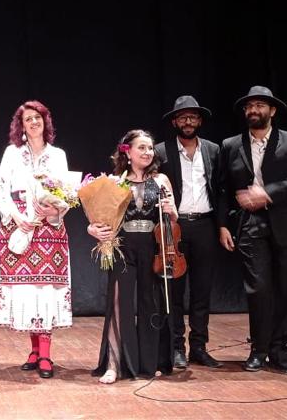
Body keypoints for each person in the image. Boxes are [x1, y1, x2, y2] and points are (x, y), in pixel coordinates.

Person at [217, 85, 287, 373]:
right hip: (249, 224)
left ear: (272, 110)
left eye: (259, 105)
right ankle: (258, 349)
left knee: (285, 289)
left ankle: (280, 351)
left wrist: (267, 193)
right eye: (249, 106)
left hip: (285, 223)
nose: (253, 110)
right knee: (258, 290)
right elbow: (223, 189)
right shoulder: (231, 145)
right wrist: (222, 225)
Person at [0, 100, 72, 379]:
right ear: (21, 125)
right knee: (27, 290)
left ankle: (46, 353)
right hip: (19, 226)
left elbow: (66, 191)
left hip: (49, 230)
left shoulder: (57, 155)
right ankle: (35, 350)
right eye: (28, 119)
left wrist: (55, 210)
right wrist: (16, 217)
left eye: (37, 117)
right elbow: (0, 189)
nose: (34, 122)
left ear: (45, 121)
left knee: (45, 289)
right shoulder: (12, 153)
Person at [88, 130, 177, 384]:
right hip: (123, 247)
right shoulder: (116, 182)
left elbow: (173, 219)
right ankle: (114, 364)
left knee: (151, 303)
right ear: (128, 152)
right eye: (142, 147)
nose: (148, 152)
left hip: (152, 246)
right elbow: (98, 218)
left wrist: (172, 211)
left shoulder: (161, 180)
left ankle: (150, 363)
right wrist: (92, 229)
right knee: (119, 304)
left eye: (150, 148)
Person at [154, 95, 225, 371]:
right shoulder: (161, 151)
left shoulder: (213, 150)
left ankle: (199, 347)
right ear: (175, 121)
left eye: (192, 116)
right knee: (174, 289)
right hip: (175, 226)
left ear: (199, 121)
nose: (188, 121)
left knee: (202, 290)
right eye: (182, 117)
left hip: (205, 225)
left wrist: (222, 226)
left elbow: (221, 190)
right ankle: (176, 348)